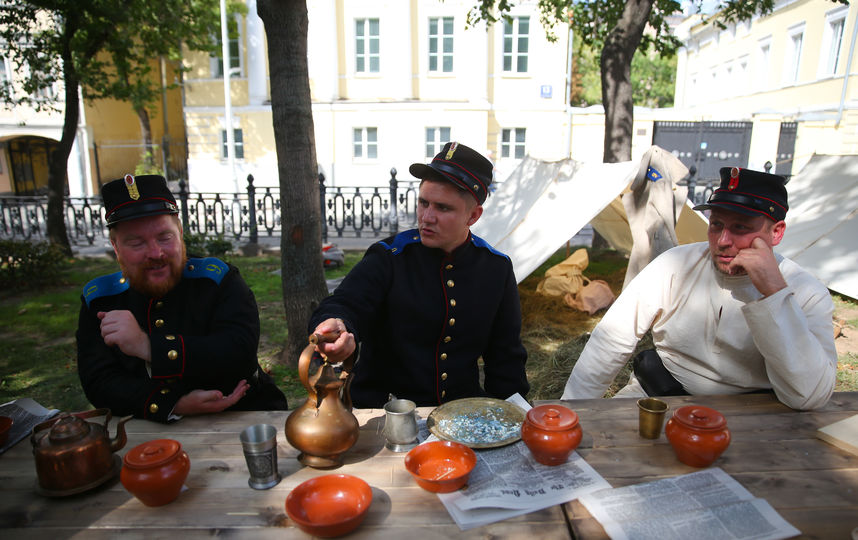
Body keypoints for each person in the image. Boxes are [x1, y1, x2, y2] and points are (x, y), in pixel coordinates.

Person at [561, 166, 837, 410]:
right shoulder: (673, 265)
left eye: (741, 227)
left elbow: (809, 397)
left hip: (755, 412)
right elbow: (610, 341)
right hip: (658, 396)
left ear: (776, 232)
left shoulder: (807, 293)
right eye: (716, 224)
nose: (723, 240)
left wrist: (775, 294)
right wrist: (571, 412)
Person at [309, 142, 529, 408]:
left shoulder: (495, 268)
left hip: (460, 414)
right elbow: (345, 303)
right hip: (385, 412)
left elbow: (506, 358)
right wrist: (337, 323)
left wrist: (511, 416)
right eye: (423, 203)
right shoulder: (389, 257)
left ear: (473, 215)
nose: (427, 217)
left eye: (442, 208)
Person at [76, 174, 287, 423]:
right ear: (115, 246)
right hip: (148, 428)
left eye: (164, 238)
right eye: (136, 243)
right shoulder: (101, 299)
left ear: (180, 233)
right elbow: (99, 383)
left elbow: (237, 353)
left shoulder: (217, 280)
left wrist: (147, 346)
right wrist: (172, 403)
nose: (155, 253)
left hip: (243, 413)